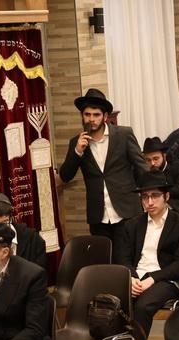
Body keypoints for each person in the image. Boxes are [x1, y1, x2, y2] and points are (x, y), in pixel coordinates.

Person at [106, 171, 179, 340]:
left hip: (166, 279)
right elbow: (123, 258)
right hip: (137, 278)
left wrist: (152, 279)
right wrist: (131, 277)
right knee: (114, 303)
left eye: (154, 196)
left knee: (143, 306)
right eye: (145, 197)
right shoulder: (132, 225)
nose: (149, 202)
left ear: (166, 196)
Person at [59, 88, 150, 245]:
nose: (91, 119)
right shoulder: (76, 142)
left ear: (105, 116)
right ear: (82, 116)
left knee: (126, 257)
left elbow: (142, 168)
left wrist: (149, 196)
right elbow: (65, 176)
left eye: (96, 115)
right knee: (104, 258)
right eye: (87, 114)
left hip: (127, 212)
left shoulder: (123, 135)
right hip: (98, 217)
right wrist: (77, 151)